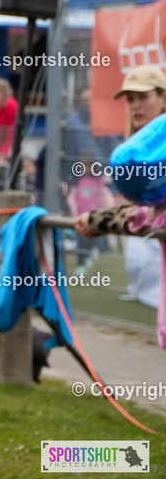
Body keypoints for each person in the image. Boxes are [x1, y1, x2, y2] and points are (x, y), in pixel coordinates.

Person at [76, 65, 165, 309]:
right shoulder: (135, 152)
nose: (135, 105)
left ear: (164, 98)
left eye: (143, 97)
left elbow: (152, 214)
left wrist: (104, 220)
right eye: (131, 99)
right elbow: (146, 211)